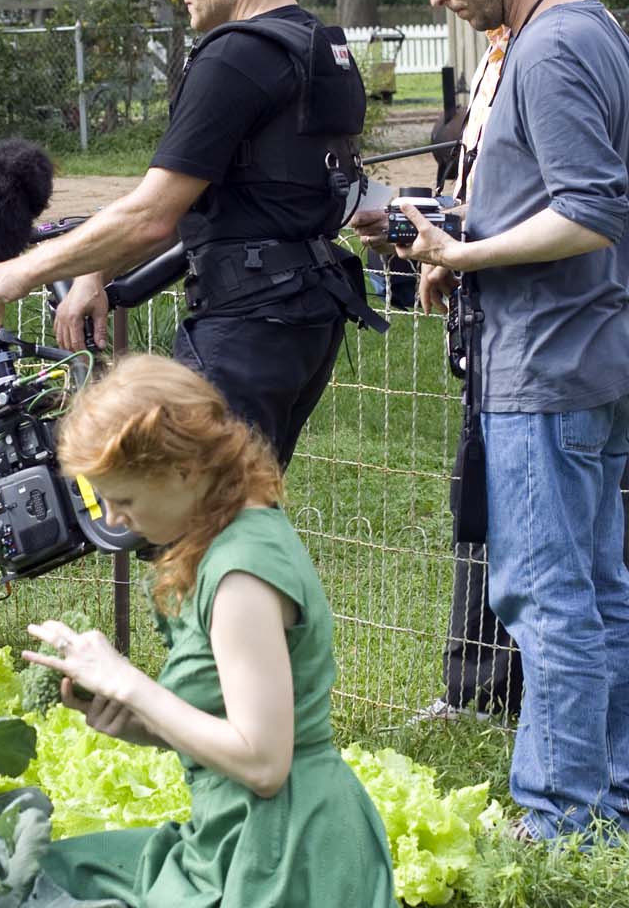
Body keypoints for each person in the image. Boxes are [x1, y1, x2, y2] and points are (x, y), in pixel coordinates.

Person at [357, 0, 629, 842]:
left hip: (552, 363)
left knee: (544, 597)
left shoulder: (553, 49)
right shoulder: (573, 27)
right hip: (584, 350)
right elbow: (558, 197)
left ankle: (557, 818)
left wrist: (466, 250)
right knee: (593, 588)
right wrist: (455, 240)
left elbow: (590, 209)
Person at [0, 0, 384, 468]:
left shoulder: (236, 55)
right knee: (243, 506)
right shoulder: (311, 41)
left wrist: (20, 272)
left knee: (197, 517)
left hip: (246, 322)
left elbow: (154, 216)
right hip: (303, 312)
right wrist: (92, 274)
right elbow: (201, 194)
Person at [28, 354, 396, 907]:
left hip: (285, 854)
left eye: (122, 498)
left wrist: (129, 683)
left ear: (184, 470)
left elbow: (264, 764)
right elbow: (228, 724)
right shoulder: (226, 536)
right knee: (52, 871)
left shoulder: (241, 574)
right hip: (234, 834)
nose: (112, 518)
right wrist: (138, 722)